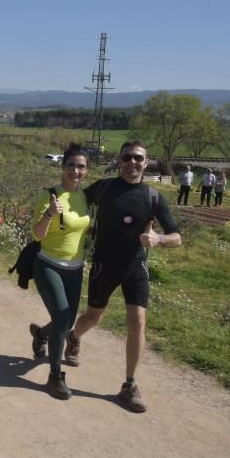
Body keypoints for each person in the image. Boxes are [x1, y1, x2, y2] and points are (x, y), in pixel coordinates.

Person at [38, 141, 182, 413]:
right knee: (93, 317)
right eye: (127, 157)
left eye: (137, 158)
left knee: (138, 322)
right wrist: (51, 220)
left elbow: (177, 238)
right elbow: (72, 198)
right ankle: (72, 337)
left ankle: (129, 385)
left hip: (136, 267)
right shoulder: (103, 188)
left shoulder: (153, 197)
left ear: (146, 162)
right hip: (104, 265)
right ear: (119, 160)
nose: (132, 162)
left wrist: (159, 239)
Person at [27, 144, 91, 400]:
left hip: (75, 269)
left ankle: (41, 334)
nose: (76, 171)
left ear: (87, 170)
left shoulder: (85, 197)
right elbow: (37, 234)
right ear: (63, 167)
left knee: (66, 322)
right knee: (63, 319)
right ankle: (55, 375)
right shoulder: (51, 195)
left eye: (81, 167)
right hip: (48, 265)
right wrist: (49, 214)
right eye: (71, 165)